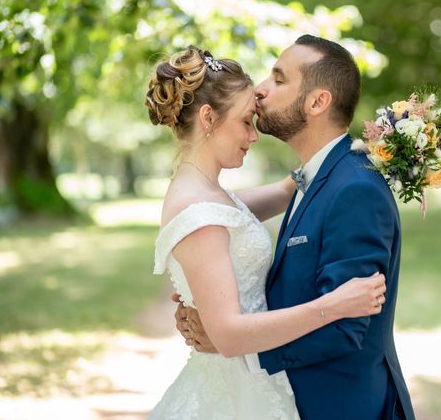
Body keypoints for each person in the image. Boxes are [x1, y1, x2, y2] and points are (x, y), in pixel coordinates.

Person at [175, 35, 417, 420]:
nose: (261, 90)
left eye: (278, 78)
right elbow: (216, 218)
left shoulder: (355, 189)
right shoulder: (315, 176)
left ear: (318, 102)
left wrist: (233, 344)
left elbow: (346, 327)